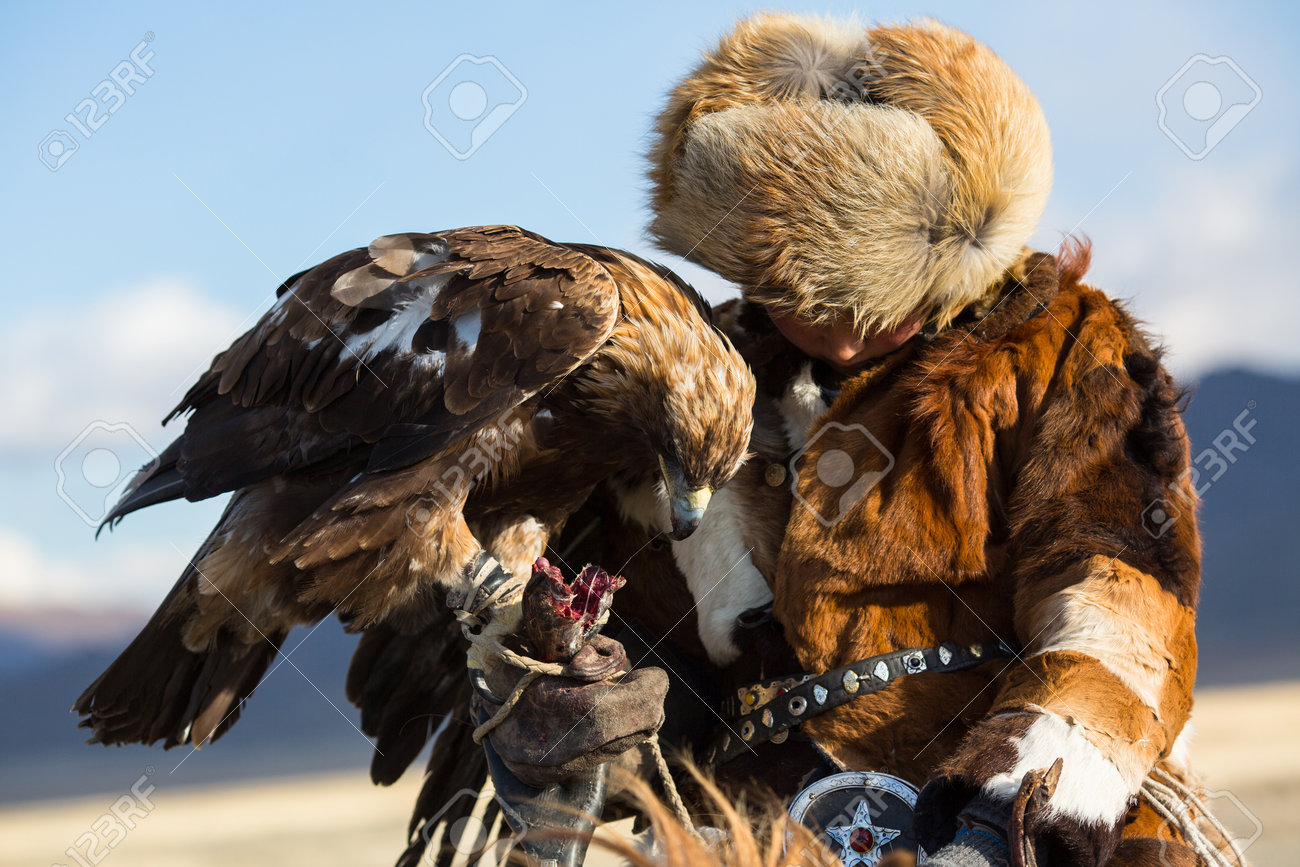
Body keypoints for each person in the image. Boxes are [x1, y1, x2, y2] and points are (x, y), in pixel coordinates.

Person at [614, 13, 1234, 867]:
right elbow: (658, 643)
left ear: (946, 255)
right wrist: (593, 704)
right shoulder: (702, 382)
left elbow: (1118, 590)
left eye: (867, 294)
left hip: (1016, 806)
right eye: (796, 292)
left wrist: (1035, 782)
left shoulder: (1057, 348)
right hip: (765, 828)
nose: (834, 331)